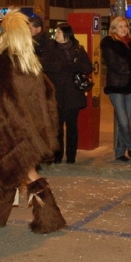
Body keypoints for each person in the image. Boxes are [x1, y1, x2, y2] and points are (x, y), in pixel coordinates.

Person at [0, 10, 67, 234]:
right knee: (12, 172)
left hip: (13, 127)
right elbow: (48, 94)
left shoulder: (6, 60)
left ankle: (50, 218)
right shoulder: (30, 61)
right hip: (31, 126)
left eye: (0, 31)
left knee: (27, 172)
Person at [47, 23, 92, 164]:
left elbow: (88, 66)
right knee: (57, 127)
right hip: (56, 93)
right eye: (56, 32)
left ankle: (71, 156)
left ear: (67, 34)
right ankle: (57, 156)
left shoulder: (78, 49)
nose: (56, 34)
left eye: (59, 32)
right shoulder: (50, 47)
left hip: (73, 94)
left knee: (72, 127)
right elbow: (43, 65)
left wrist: (74, 66)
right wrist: (59, 66)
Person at [101, 16, 131, 161]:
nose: (124, 29)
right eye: (120, 26)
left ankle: (120, 152)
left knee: (126, 121)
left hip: (130, 87)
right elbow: (114, 65)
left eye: (125, 26)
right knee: (123, 121)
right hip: (116, 86)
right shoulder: (108, 43)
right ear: (114, 29)